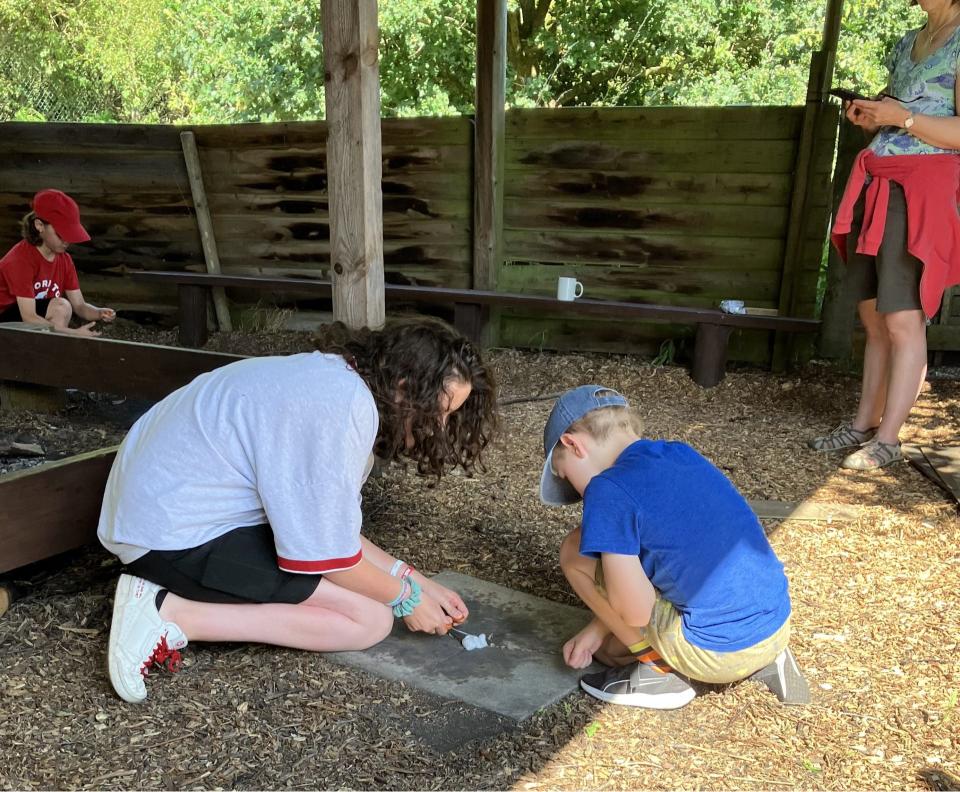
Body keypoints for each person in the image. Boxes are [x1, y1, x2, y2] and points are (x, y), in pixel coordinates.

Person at [98, 317, 497, 703]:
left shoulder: (334, 383)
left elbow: (330, 535)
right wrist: (406, 599)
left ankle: (168, 603)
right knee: (369, 620)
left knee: (372, 600)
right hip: (169, 537)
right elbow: (331, 558)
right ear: (405, 389)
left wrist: (415, 579)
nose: (440, 427)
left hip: (167, 514)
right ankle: (168, 612)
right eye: (440, 410)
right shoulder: (340, 411)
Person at [540, 385, 808, 710]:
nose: (576, 492)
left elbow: (635, 611)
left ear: (573, 445)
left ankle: (660, 675)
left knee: (574, 549)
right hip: (775, 625)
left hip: (716, 653)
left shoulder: (606, 490)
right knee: (608, 647)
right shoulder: (678, 453)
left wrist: (606, 622)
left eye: (565, 475)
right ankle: (767, 662)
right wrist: (597, 629)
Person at [809, 0, 960, 470]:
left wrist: (903, 119)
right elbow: (897, 111)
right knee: (873, 315)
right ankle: (862, 426)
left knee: (902, 318)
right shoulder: (905, 42)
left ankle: (888, 440)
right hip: (878, 179)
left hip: (923, 189)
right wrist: (874, 115)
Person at [0, 189, 115, 335]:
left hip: (28, 319)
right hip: (4, 322)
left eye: (70, 234)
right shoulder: (20, 259)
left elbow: (79, 306)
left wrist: (99, 312)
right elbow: (28, 316)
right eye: (61, 234)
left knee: (62, 307)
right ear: (39, 225)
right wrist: (70, 333)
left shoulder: (64, 259)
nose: (67, 241)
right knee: (61, 305)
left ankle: (49, 351)